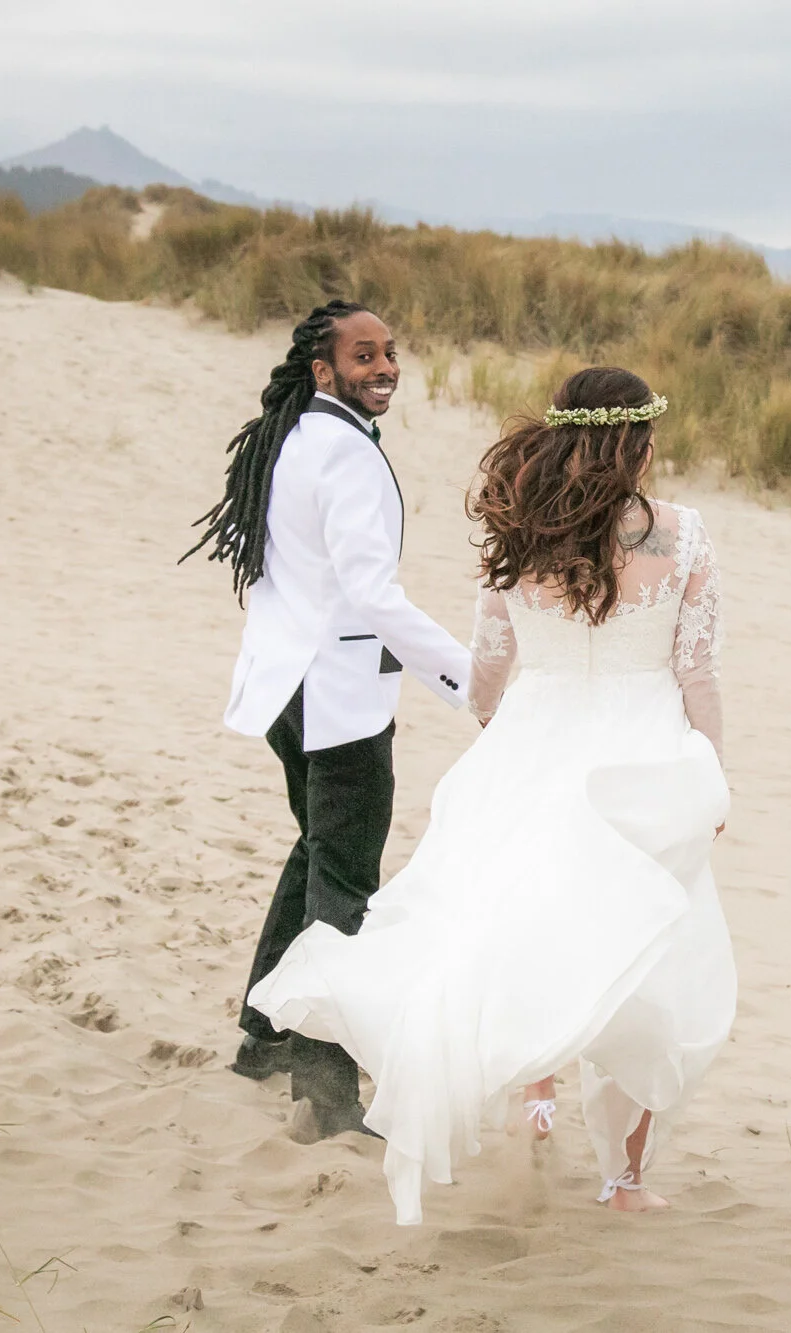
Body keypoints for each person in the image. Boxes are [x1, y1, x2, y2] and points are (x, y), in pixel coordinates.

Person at [248, 366, 735, 1224]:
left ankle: (535, 1094)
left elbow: (484, 682)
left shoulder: (524, 538)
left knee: (522, 923)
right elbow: (696, 671)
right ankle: (623, 1178)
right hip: (645, 761)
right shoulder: (681, 538)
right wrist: (713, 773)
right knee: (657, 950)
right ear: (637, 442)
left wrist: (511, 745)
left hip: (532, 745)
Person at [184, 300, 474, 1142]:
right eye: (362, 355)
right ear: (323, 370)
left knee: (315, 851)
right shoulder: (342, 454)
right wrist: (467, 677)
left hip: (285, 688)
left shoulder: (294, 436)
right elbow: (374, 596)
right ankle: (325, 1079)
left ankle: (264, 1034)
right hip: (337, 699)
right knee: (344, 883)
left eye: (389, 352)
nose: (383, 367)